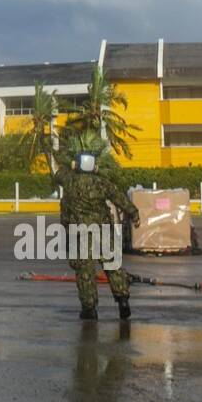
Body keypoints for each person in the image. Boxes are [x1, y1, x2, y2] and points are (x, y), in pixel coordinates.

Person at [52, 133, 139, 320]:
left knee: (85, 271)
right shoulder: (101, 182)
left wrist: (61, 159)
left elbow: (57, 174)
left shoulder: (70, 181)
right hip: (103, 230)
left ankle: (89, 309)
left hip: (80, 233)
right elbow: (119, 197)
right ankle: (123, 300)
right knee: (112, 265)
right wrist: (134, 213)